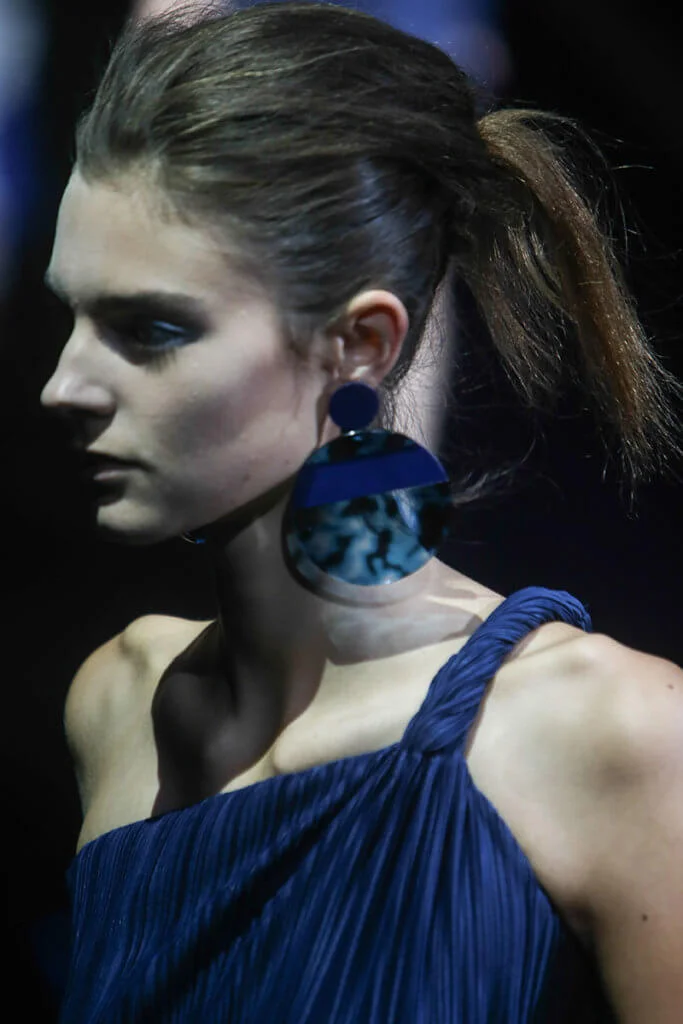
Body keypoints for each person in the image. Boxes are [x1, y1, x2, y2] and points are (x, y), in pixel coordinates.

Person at [40, 2, 683, 1021]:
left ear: (359, 345)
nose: (63, 385)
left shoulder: (607, 731)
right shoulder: (118, 704)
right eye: (68, 317)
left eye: (150, 329)